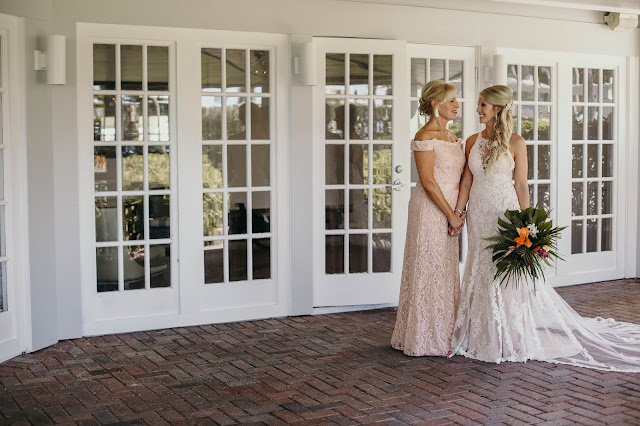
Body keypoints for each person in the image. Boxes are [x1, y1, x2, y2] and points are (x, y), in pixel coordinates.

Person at [450, 85, 640, 371]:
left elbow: (521, 184)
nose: (478, 109)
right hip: (478, 214)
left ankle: (509, 333)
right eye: (479, 104)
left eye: (483, 105)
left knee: (503, 270)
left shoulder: (516, 142)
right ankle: (482, 332)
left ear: (498, 109)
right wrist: (459, 211)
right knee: (479, 265)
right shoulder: (472, 141)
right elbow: (466, 180)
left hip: (505, 212)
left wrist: (526, 222)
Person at [391, 81, 466, 356]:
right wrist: (450, 214)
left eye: (456, 100)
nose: (456, 105)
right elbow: (428, 181)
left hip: (450, 210)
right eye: (451, 101)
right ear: (435, 104)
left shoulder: (453, 137)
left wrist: (458, 212)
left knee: (444, 270)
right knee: (427, 269)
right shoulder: (424, 136)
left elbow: (460, 179)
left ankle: (446, 332)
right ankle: (424, 337)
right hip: (430, 209)